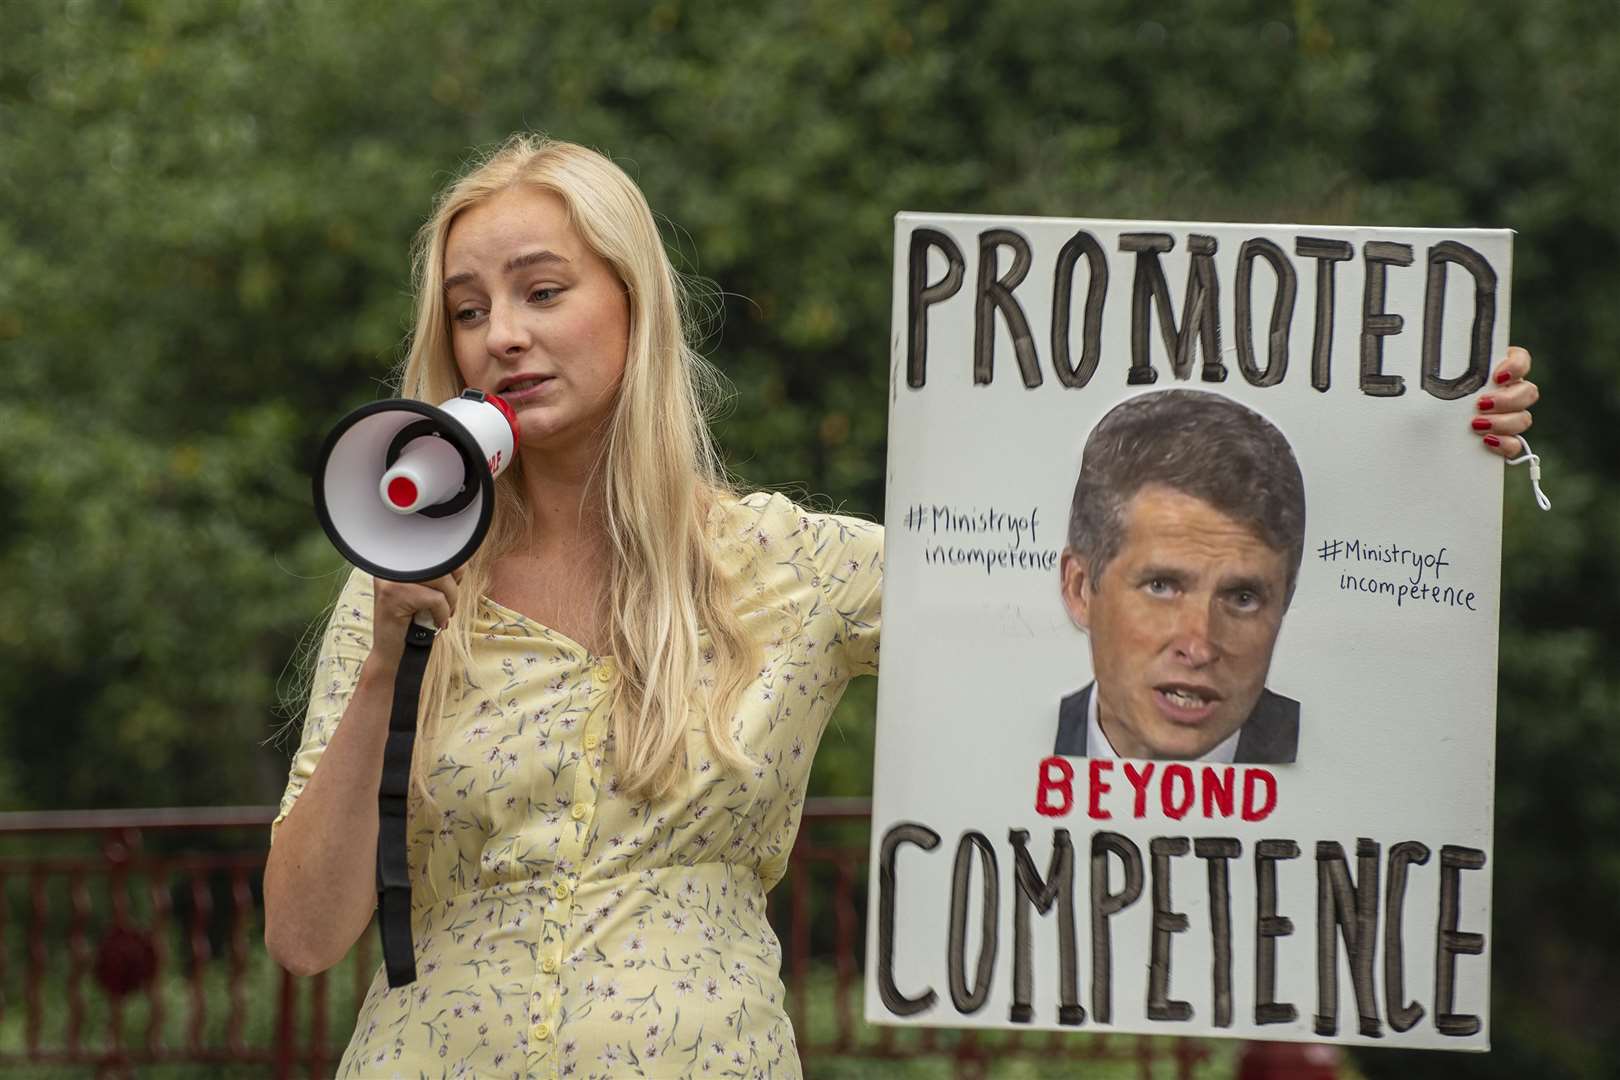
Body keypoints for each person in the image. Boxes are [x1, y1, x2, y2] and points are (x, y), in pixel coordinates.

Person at [262, 134, 1541, 1077]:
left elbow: (1095, 562)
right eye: (469, 310)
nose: (503, 337)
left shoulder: (789, 565)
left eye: (544, 292)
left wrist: (1427, 440)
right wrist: (385, 657)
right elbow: (306, 937)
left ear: (633, 306)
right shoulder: (402, 581)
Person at [1052, 390, 1305, 764]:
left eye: (1242, 598)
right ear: (1080, 591)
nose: (1199, 647)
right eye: (1161, 586)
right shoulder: (998, 745)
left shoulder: (1349, 762)